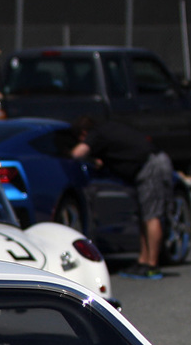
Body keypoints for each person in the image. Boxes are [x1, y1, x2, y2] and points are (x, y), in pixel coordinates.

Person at [70, 115, 172, 280]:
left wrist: (67, 153)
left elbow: (77, 153)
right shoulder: (107, 129)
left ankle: (152, 265)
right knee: (144, 217)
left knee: (152, 215)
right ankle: (143, 261)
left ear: (83, 133)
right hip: (147, 166)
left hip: (151, 166)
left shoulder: (96, 133)